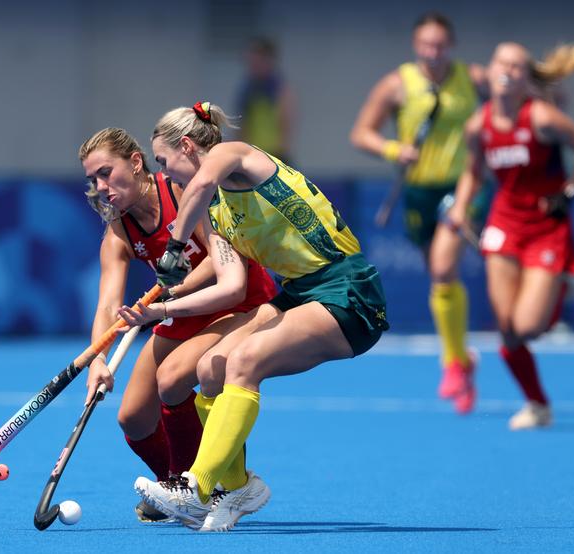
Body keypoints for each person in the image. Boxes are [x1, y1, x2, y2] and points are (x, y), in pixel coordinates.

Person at [132, 102, 389, 532]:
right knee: (209, 368)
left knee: (244, 361)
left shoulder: (234, 155)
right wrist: (163, 307)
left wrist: (174, 250)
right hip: (300, 293)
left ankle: (196, 487)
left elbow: (198, 186)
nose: (165, 173)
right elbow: (231, 285)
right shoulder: (218, 214)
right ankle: (239, 488)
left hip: (347, 289)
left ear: (188, 146)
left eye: (164, 161)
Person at [78, 128, 276, 522]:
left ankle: (196, 489)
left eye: (105, 172)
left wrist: (170, 289)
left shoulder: (181, 190)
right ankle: (172, 483)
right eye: (92, 180)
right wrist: (97, 358)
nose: (101, 187)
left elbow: (218, 263)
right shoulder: (120, 231)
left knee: (173, 379)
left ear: (136, 162)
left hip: (236, 300)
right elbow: (107, 304)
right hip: (181, 310)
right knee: (132, 417)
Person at [448, 42, 574, 430]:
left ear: (524, 79)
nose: (508, 70)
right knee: (509, 330)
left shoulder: (542, 118)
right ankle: (538, 405)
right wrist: (460, 207)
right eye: (503, 62)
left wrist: (569, 192)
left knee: (530, 326)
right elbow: (473, 172)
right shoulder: (478, 126)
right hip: (504, 224)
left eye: (518, 67)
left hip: (546, 228)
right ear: (491, 68)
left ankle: (564, 280)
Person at [350, 12, 489, 413]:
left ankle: (452, 363)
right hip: (417, 193)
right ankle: (462, 357)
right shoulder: (397, 84)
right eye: (426, 44)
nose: (433, 52)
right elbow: (361, 133)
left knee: (445, 268)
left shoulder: (473, 79)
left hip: (463, 186)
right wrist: (394, 150)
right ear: (416, 45)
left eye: (440, 44)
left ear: (452, 45)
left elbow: (513, 101)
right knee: (439, 277)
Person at [235, 37, 296, 164]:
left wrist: (281, 149)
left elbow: (286, 120)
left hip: (275, 154)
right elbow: (242, 124)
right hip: (252, 152)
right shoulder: (247, 89)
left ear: (268, 60)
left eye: (256, 60)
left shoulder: (279, 88)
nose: (252, 65)